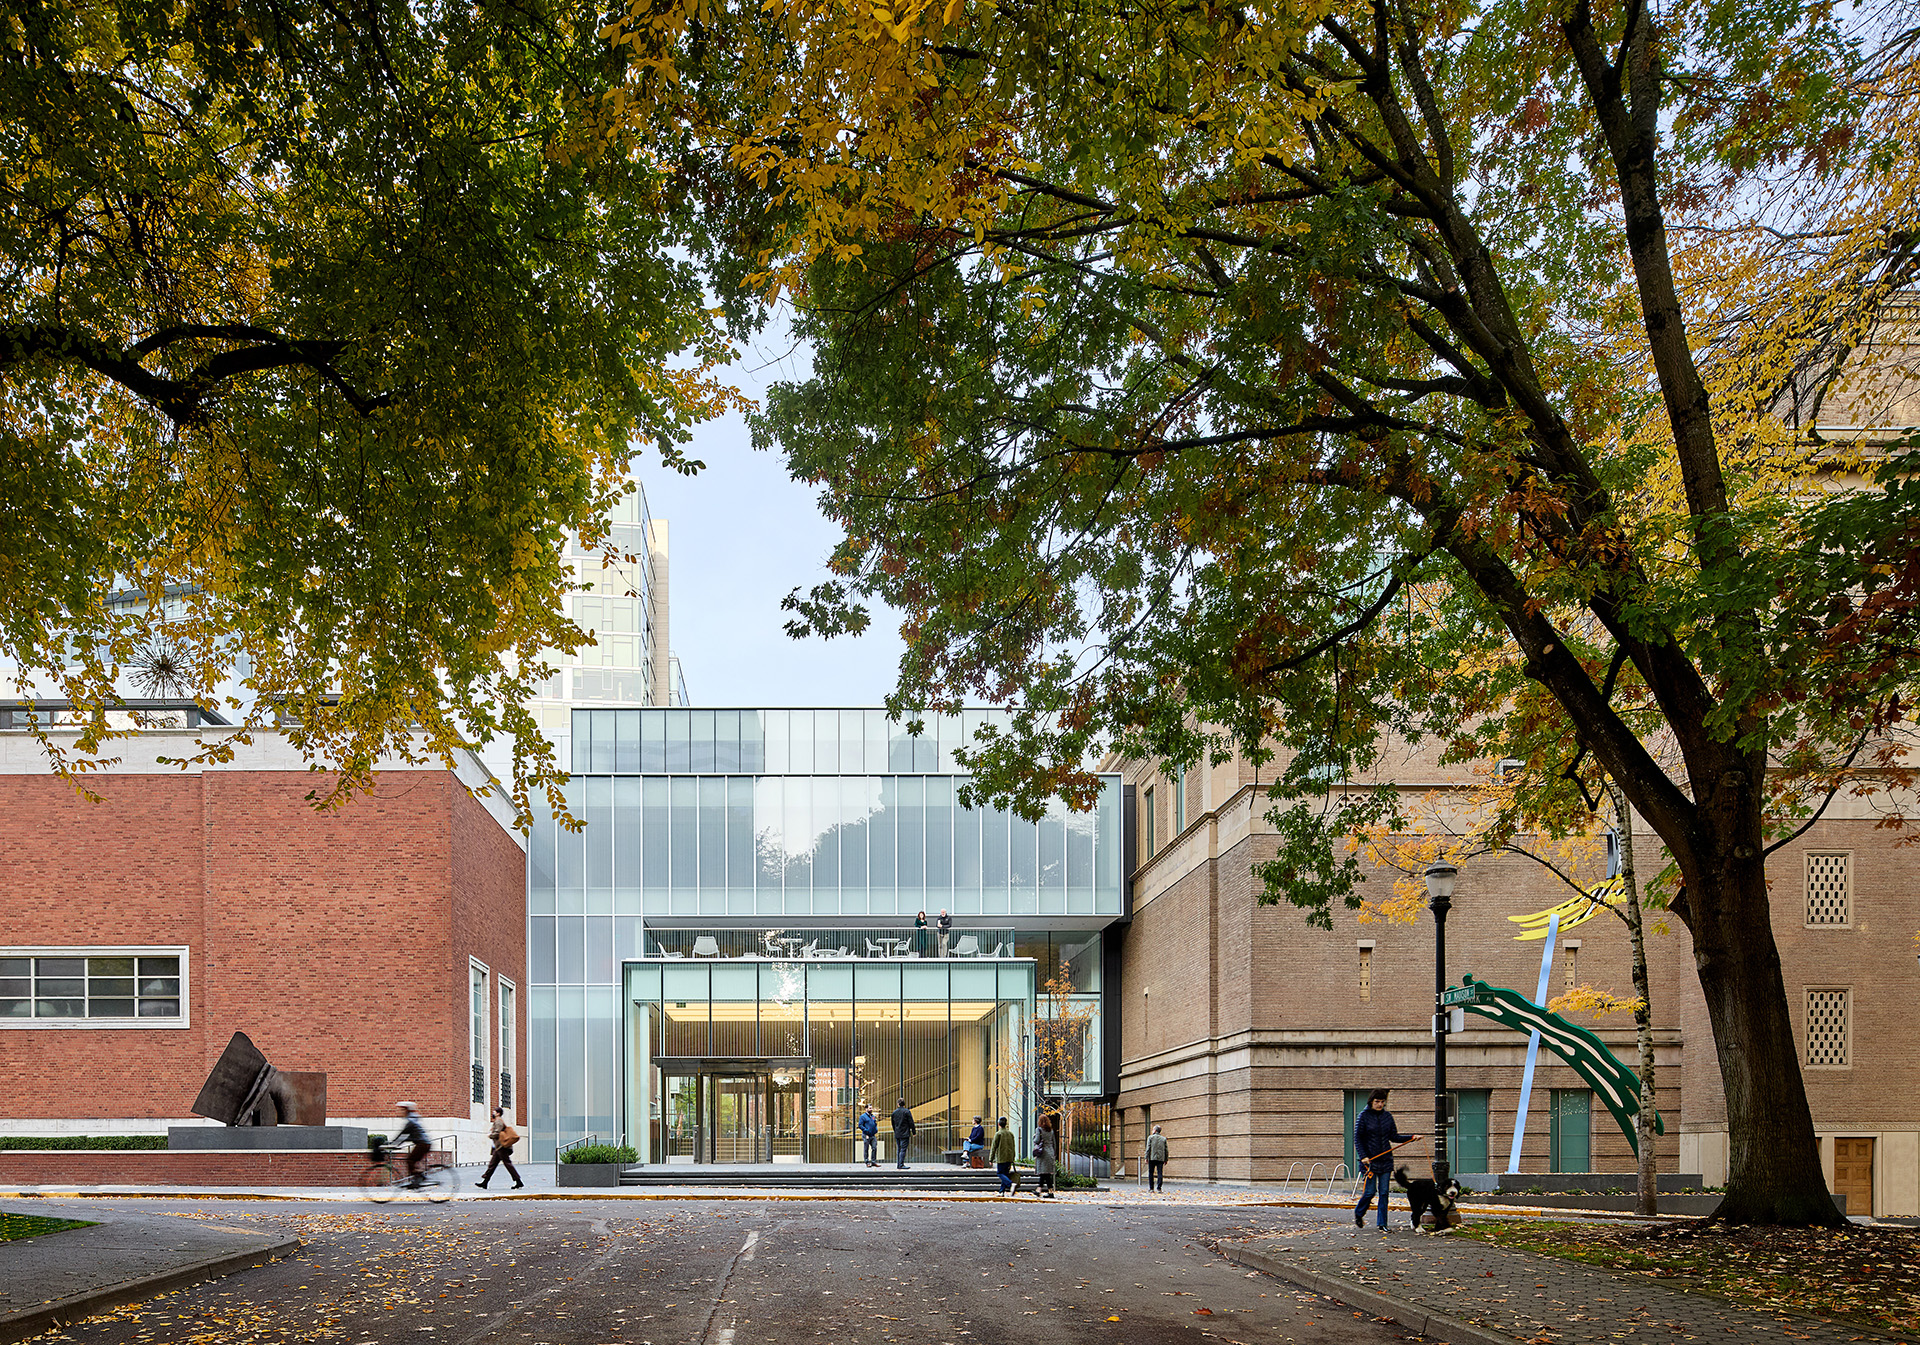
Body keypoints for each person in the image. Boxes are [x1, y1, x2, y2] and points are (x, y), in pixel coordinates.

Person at [1352, 1089, 1419, 1230]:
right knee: (1370, 1192)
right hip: (1369, 1162)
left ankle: (1382, 1223)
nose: (1380, 1104)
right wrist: (1363, 1156)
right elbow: (1357, 1138)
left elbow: (1394, 1137)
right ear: (1371, 1101)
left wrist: (1411, 1138)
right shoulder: (1363, 1116)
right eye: (1377, 1102)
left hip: (1386, 1160)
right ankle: (1359, 1213)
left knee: (1384, 1193)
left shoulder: (1387, 1116)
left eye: (1382, 1102)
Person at [477, 1106, 523, 1189]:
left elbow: (497, 1133)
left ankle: (518, 1181)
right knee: (492, 1164)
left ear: (498, 1113)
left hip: (502, 1147)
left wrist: (490, 1135)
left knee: (507, 1164)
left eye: (494, 1112)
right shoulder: (498, 1121)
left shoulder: (498, 1121)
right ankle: (485, 1182)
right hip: (498, 1147)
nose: (493, 1113)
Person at [393, 1101, 431, 1187]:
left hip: (422, 1144)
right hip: (424, 1143)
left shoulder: (411, 1121)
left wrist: (394, 1144)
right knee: (413, 1161)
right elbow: (405, 1136)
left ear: (407, 1110)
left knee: (410, 1160)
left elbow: (403, 1135)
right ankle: (419, 1177)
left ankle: (416, 1180)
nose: (399, 1112)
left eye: (402, 1110)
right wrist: (396, 1143)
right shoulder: (412, 1119)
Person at [990, 1116, 1020, 1194]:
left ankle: (1010, 1184)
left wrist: (991, 1159)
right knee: (1005, 1174)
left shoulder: (998, 1134)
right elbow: (1013, 1146)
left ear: (998, 1124)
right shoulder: (1010, 1134)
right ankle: (1001, 1191)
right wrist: (1013, 1157)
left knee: (1000, 1173)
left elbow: (994, 1147)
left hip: (1001, 1157)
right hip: (1009, 1157)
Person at [1033, 1113, 1059, 1198]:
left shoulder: (1039, 1130)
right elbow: (1054, 1143)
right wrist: (1054, 1153)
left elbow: (1037, 1141)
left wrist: (1034, 1137)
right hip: (1050, 1152)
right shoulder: (1051, 1131)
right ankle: (1045, 1191)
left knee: (1044, 1173)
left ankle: (1041, 1190)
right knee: (1046, 1174)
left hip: (1043, 1153)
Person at [890, 1097, 917, 1168]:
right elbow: (911, 1123)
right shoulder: (907, 1112)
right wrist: (914, 1132)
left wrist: (895, 1131)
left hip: (897, 1133)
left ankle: (899, 1164)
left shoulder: (894, 1113)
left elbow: (893, 1123)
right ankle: (901, 1164)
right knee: (903, 1149)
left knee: (899, 1149)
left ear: (898, 1104)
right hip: (905, 1133)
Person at [1145, 1124, 1169, 1192]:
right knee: (1160, 1173)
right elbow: (1166, 1150)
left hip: (1152, 1158)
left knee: (1151, 1173)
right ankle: (1159, 1188)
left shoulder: (1150, 1138)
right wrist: (1166, 1159)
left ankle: (1151, 1188)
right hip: (1160, 1158)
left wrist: (1146, 1157)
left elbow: (1148, 1148)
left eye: (1153, 1129)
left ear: (1155, 1130)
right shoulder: (1163, 1139)